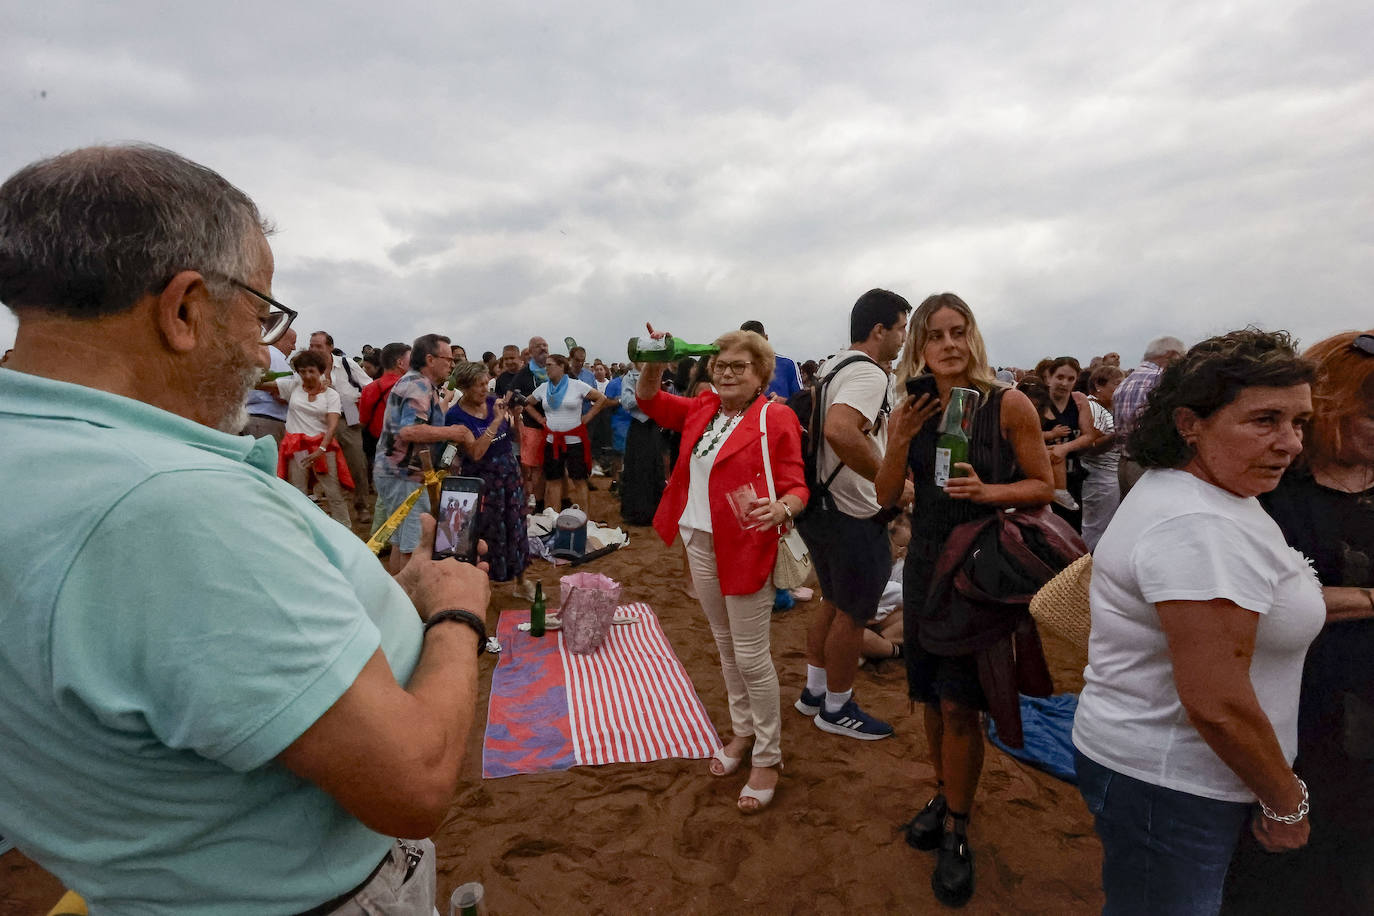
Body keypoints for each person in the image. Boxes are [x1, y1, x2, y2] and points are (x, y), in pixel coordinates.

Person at [0, 144, 491, 913]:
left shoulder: (45, 451)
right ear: (185, 308)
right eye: (260, 315)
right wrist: (455, 613)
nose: (264, 351)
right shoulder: (168, 503)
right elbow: (416, 779)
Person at [1071, 329, 1322, 916]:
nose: (1289, 444)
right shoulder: (1196, 526)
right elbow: (1217, 701)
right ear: (1191, 423)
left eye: (1299, 422)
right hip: (1173, 783)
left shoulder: (1211, 491)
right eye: (1264, 420)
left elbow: (1254, 599)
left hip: (1162, 773)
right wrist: (1287, 803)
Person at [875, 292, 1054, 908]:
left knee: (959, 704)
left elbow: (1044, 488)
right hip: (926, 559)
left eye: (959, 331)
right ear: (919, 346)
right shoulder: (915, 405)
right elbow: (884, 493)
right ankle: (946, 791)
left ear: (972, 337)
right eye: (935, 335)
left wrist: (988, 490)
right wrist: (899, 435)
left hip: (980, 562)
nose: (949, 344)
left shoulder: (1009, 403)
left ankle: (957, 827)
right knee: (927, 694)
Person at [1222, 329, 1374, 915]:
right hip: (1298, 721)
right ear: (1334, 405)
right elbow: (1254, 602)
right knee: (1286, 876)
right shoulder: (1271, 493)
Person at [636, 326, 808, 813]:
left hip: (747, 545)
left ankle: (768, 756)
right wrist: (655, 357)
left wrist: (783, 509)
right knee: (725, 646)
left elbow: (798, 484)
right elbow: (648, 399)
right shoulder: (705, 408)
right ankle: (742, 732)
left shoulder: (775, 417)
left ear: (761, 374)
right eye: (721, 365)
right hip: (701, 541)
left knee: (753, 656)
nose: (728, 373)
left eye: (740, 366)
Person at [794, 288, 910, 743]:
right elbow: (840, 429)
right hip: (853, 510)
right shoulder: (869, 374)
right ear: (879, 329)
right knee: (852, 613)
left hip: (820, 504)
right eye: (901, 327)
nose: (903, 337)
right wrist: (890, 482)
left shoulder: (833, 365)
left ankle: (815, 692)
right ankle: (837, 707)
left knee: (834, 602)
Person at [374, 333, 476, 573]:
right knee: (413, 544)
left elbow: (420, 420)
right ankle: (409, 601)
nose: (451, 365)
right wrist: (451, 432)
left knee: (401, 542)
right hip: (404, 474)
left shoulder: (418, 384)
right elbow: (410, 431)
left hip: (396, 472)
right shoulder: (418, 385)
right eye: (448, 359)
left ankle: (399, 596)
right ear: (430, 359)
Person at [444, 360, 531, 598]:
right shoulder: (456, 415)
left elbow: (511, 436)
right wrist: (495, 420)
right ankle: (482, 587)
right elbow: (475, 453)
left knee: (516, 527)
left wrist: (515, 416)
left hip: (508, 472)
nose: (485, 389)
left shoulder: (494, 402)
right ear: (463, 387)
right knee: (484, 533)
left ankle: (522, 582)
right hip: (481, 480)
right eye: (478, 385)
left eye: (486, 383)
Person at [273, 347, 354, 525]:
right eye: (302, 371)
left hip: (322, 446)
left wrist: (322, 448)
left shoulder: (331, 394)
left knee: (333, 491)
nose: (307, 375)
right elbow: (259, 383)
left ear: (320, 371)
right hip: (297, 446)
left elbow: (332, 424)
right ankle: (301, 528)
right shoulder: (293, 386)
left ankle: (345, 528)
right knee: (297, 491)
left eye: (311, 371)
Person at [523, 353, 608, 510]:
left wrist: (588, 416)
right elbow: (527, 403)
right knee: (553, 480)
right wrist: (540, 419)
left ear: (561, 366)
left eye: (550, 365)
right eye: (545, 365)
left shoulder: (577, 385)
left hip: (574, 442)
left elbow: (601, 398)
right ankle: (554, 521)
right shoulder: (543, 388)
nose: (546, 368)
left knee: (579, 480)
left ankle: (584, 521)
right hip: (552, 441)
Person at [309, 330, 372, 523]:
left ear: (330, 347)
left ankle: (361, 506)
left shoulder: (347, 364)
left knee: (356, 461)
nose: (313, 349)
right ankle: (334, 508)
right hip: (320, 419)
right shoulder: (307, 368)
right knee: (323, 465)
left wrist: (348, 397)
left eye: (318, 346)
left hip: (347, 417)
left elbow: (369, 386)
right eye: (311, 345)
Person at [1114, 335, 1186, 496]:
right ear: (1171, 355)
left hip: (1125, 465)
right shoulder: (1161, 380)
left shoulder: (1125, 382)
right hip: (1151, 468)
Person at [1039, 356, 1097, 524]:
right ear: (1049, 377)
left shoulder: (1079, 400)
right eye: (1060, 377)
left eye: (1070, 379)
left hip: (1072, 475)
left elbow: (1089, 435)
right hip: (1043, 475)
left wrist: (1065, 448)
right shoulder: (1038, 401)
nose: (1064, 383)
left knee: (1071, 528)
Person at [1079, 364, 1124, 549]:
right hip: (1100, 477)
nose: (1120, 389)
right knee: (1097, 529)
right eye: (1117, 384)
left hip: (1103, 477)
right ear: (1099, 385)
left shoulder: (1103, 408)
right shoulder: (1095, 409)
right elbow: (1090, 447)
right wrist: (1119, 434)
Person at [358, 341, 411, 478]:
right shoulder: (413, 387)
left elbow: (363, 420)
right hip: (407, 447)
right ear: (400, 363)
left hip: (378, 445)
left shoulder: (369, 389)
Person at [510, 335, 550, 509]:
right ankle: (539, 504)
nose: (543, 348)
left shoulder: (556, 367)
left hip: (557, 426)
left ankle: (557, 502)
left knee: (556, 467)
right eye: (538, 346)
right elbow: (514, 398)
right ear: (531, 351)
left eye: (545, 345)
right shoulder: (524, 373)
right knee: (536, 467)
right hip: (533, 426)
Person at [241, 326, 296, 445]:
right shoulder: (276, 359)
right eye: (292, 342)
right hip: (266, 423)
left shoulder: (261, 354)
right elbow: (280, 395)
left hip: (251, 418)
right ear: (280, 338)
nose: (294, 347)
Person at [740, 319, 803, 399]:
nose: (753, 348)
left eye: (757, 343)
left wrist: (784, 402)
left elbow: (801, 402)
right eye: (747, 344)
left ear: (766, 338)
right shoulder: (736, 367)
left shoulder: (788, 364)